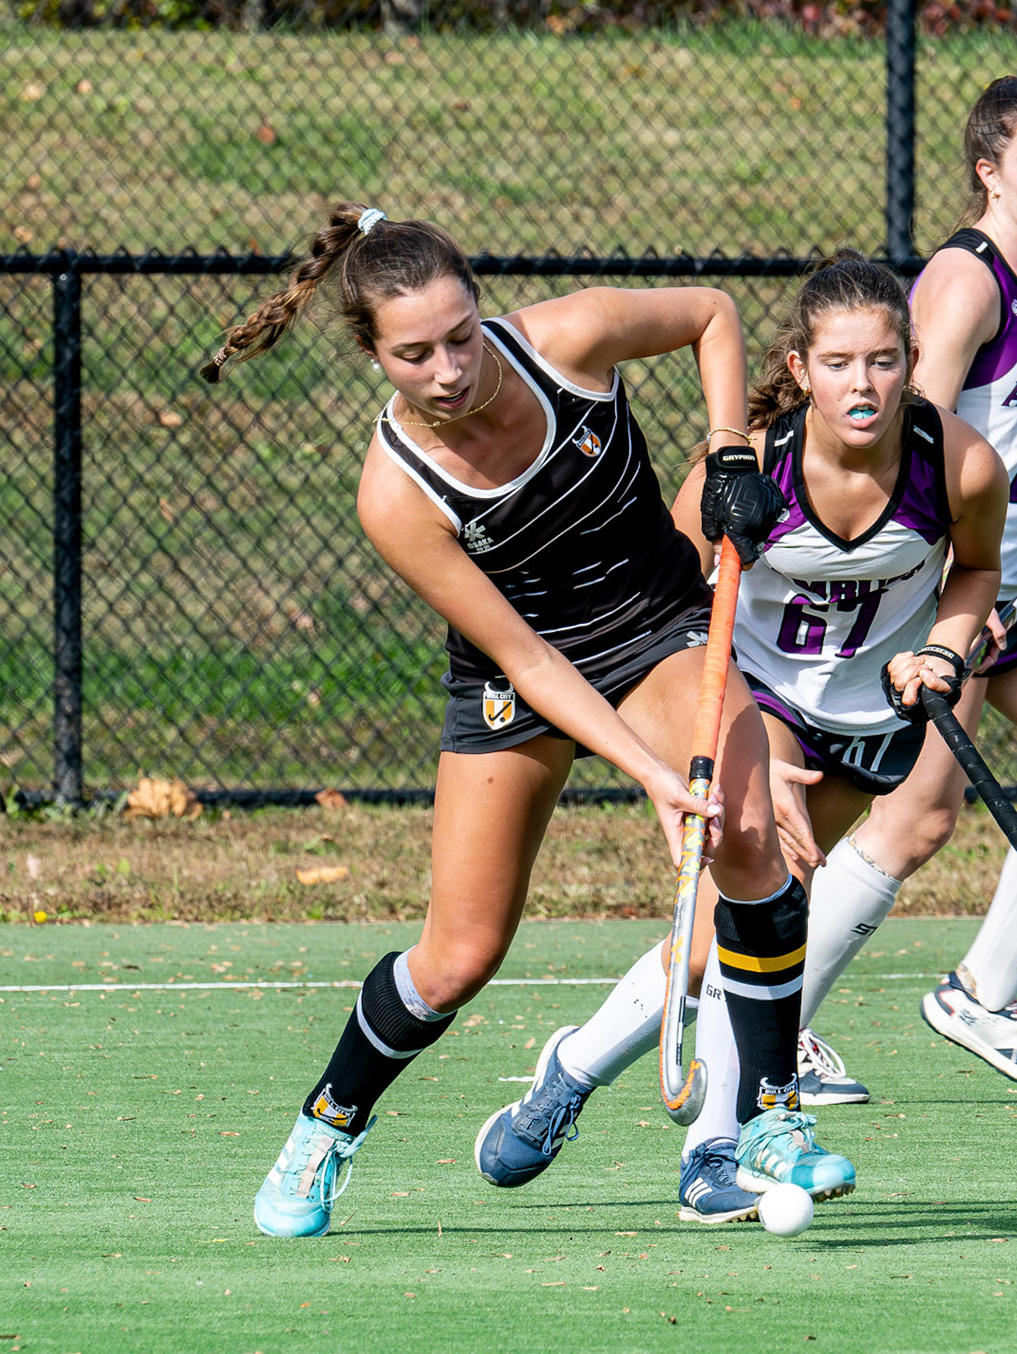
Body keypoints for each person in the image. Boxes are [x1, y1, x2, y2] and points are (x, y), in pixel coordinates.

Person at [203, 203, 823, 1238]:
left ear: (481, 308)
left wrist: (728, 455)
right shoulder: (396, 496)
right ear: (373, 357)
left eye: (461, 336)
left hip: (655, 621)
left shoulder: (569, 341)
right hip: (519, 672)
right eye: (415, 355)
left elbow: (712, 314)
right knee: (457, 957)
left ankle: (767, 1119)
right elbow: (531, 660)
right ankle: (328, 1123)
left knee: (751, 839)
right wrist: (650, 773)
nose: (449, 370)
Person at [474, 254, 1006, 1222]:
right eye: (838, 364)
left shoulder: (960, 465)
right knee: (759, 913)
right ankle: (718, 1147)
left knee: (727, 940)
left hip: (864, 723)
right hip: (748, 703)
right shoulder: (755, 471)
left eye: (883, 362)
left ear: (911, 361)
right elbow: (662, 606)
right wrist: (721, 746)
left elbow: (975, 572)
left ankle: (573, 1070)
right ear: (800, 368)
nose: (862, 385)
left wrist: (943, 648)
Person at [797, 76, 1017, 1097]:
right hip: (955, 585)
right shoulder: (964, 284)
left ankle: (982, 995)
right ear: (989, 171)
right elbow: (912, 437)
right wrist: (957, 598)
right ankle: (775, 1030)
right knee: (915, 822)